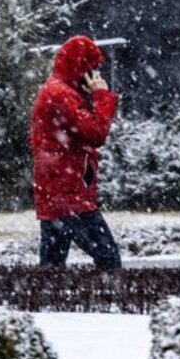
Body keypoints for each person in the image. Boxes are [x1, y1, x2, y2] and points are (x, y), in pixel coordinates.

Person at [29, 35, 122, 269]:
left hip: (54, 194)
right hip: (70, 197)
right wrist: (101, 95)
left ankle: (46, 305)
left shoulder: (55, 91)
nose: (95, 76)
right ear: (81, 67)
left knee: (51, 270)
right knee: (109, 259)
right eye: (92, 69)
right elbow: (96, 133)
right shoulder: (62, 95)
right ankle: (112, 303)